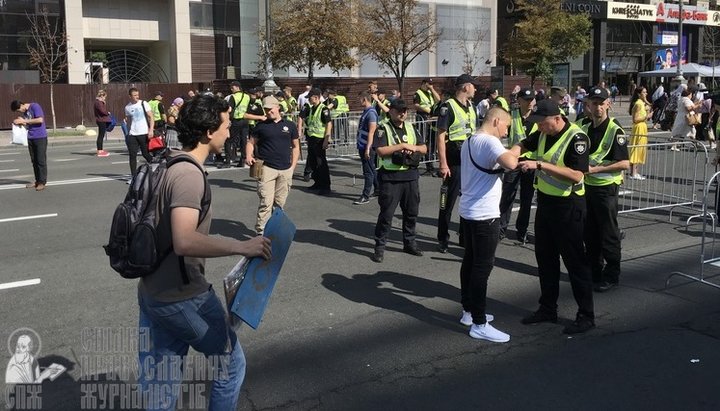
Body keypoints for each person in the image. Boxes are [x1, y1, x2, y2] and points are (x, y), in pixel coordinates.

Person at [137, 95, 271, 411]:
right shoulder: (189, 175)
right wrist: (242, 246)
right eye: (226, 125)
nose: (230, 131)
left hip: (154, 289)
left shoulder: (169, 160)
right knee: (230, 363)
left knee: (163, 383)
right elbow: (184, 240)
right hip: (183, 296)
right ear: (209, 131)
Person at [514, 99, 595, 335]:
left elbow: (577, 175)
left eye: (542, 123)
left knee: (575, 262)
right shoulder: (541, 133)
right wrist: (513, 152)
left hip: (569, 205)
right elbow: (523, 143)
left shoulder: (577, 138)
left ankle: (586, 315)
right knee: (545, 259)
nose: (539, 127)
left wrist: (540, 165)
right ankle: (548, 307)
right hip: (547, 204)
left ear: (557, 118)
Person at [458, 107, 519, 342]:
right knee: (482, 268)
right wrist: (518, 147)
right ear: (496, 121)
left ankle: (468, 311)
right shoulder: (491, 142)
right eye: (506, 127)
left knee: (470, 261)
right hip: (485, 215)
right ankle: (479, 323)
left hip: (469, 211)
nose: (505, 133)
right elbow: (510, 163)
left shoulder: (470, 141)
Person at [579, 87, 630, 293]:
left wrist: (597, 169)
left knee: (608, 232)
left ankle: (612, 274)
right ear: (588, 105)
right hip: (586, 187)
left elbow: (624, 163)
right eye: (594, 103)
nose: (598, 107)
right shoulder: (582, 125)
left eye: (602, 103)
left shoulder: (615, 130)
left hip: (606, 188)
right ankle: (594, 271)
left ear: (608, 104)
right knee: (589, 232)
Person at [371, 99, 427, 263]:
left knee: (411, 213)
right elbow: (380, 150)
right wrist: (401, 146)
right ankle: (379, 247)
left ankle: (409, 243)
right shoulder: (383, 128)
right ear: (391, 111)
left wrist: (413, 148)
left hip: (410, 176)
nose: (402, 113)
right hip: (390, 178)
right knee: (387, 215)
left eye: (404, 111)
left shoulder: (411, 127)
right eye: (398, 110)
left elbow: (424, 148)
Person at [436, 73, 480, 253]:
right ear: (465, 87)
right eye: (473, 86)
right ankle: (443, 238)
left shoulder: (472, 106)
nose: (475, 89)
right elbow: (440, 136)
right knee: (447, 203)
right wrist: (443, 164)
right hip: (454, 162)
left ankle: (464, 236)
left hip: (470, 161)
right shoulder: (448, 107)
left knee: (468, 201)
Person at [245, 95, 300, 234]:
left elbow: (295, 147)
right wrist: (248, 155)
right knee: (266, 202)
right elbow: (251, 143)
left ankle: (275, 230)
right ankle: (261, 232)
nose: (268, 111)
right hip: (266, 168)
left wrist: (293, 166)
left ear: (278, 107)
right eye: (266, 109)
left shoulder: (290, 125)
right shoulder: (261, 126)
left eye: (271, 109)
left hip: (285, 169)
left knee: (279, 204)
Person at [499, 87, 537, 243]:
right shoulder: (512, 115)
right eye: (526, 100)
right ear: (519, 101)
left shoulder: (537, 117)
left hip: (531, 163)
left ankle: (522, 230)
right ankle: (501, 229)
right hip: (514, 161)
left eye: (532, 100)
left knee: (527, 199)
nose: (529, 103)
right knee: (508, 195)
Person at [297, 88, 332, 194]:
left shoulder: (324, 109)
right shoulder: (312, 108)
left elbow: (328, 124)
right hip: (311, 138)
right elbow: (304, 119)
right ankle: (317, 183)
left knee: (321, 163)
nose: (308, 100)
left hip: (319, 139)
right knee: (313, 162)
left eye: (310, 98)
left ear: (316, 97)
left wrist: (326, 139)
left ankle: (325, 186)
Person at [11, 99, 48, 191]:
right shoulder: (26, 113)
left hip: (40, 137)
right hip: (30, 137)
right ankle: (37, 180)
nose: (20, 112)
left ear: (21, 105)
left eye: (19, 110)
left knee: (40, 160)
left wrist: (25, 121)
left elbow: (40, 120)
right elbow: (28, 125)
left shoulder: (35, 106)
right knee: (34, 161)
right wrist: (20, 123)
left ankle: (42, 182)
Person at [354, 91, 380, 205]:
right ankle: (378, 189)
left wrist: (368, 148)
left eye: (360, 99)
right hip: (362, 145)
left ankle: (365, 195)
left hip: (367, 146)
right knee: (371, 169)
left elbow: (371, 132)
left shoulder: (371, 113)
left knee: (368, 171)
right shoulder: (366, 112)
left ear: (365, 99)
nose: (359, 101)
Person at [124, 87, 154, 179]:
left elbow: (151, 117)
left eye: (137, 95)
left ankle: (155, 168)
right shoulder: (127, 107)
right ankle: (133, 177)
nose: (137, 96)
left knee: (145, 154)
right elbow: (128, 120)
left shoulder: (143, 103)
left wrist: (151, 130)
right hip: (133, 134)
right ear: (130, 96)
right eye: (134, 95)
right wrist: (127, 132)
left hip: (143, 133)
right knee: (132, 155)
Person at [414, 79, 441, 173]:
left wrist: (432, 89)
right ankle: (417, 162)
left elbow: (438, 100)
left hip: (431, 119)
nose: (430, 85)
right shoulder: (418, 93)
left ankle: (429, 165)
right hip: (422, 117)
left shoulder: (430, 93)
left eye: (431, 84)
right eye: (428, 84)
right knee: (422, 140)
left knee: (430, 142)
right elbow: (416, 105)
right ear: (423, 84)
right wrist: (426, 110)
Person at [629, 87, 652, 179]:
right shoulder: (638, 104)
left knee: (640, 148)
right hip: (639, 127)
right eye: (644, 92)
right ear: (639, 94)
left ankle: (635, 172)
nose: (646, 94)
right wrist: (647, 116)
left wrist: (647, 104)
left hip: (642, 127)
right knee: (636, 148)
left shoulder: (641, 103)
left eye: (646, 92)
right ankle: (633, 173)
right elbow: (635, 119)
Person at [94, 90, 111, 157]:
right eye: (104, 97)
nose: (105, 98)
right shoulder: (99, 103)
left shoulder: (98, 102)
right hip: (101, 120)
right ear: (101, 96)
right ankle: (100, 151)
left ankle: (100, 150)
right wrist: (108, 113)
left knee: (101, 135)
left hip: (100, 120)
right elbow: (102, 111)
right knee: (101, 136)